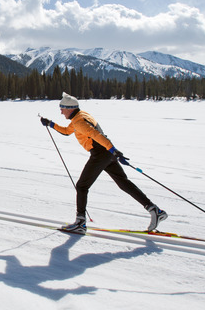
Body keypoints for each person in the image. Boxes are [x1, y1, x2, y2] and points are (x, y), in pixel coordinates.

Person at [40, 92, 167, 235]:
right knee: (123, 182)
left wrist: (115, 151)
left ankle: (80, 223)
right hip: (106, 154)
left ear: (69, 108)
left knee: (82, 186)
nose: (61, 112)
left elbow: (97, 135)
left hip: (101, 154)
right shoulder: (81, 116)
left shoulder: (79, 122)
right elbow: (66, 131)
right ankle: (155, 210)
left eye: (62, 109)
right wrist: (50, 124)